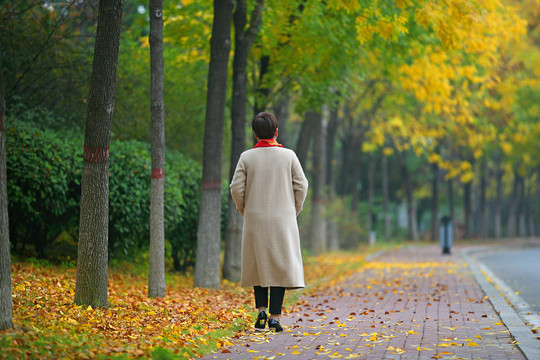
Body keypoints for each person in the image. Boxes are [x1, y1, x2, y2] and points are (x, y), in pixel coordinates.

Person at [230, 112, 309, 332]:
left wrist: (244, 209)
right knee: (279, 265)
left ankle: (261, 312)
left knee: (258, 263)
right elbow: (302, 185)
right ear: (276, 132)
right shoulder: (289, 156)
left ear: (255, 133)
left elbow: (236, 188)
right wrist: (294, 209)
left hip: (254, 217)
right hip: (283, 218)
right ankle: (275, 317)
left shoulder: (246, 157)